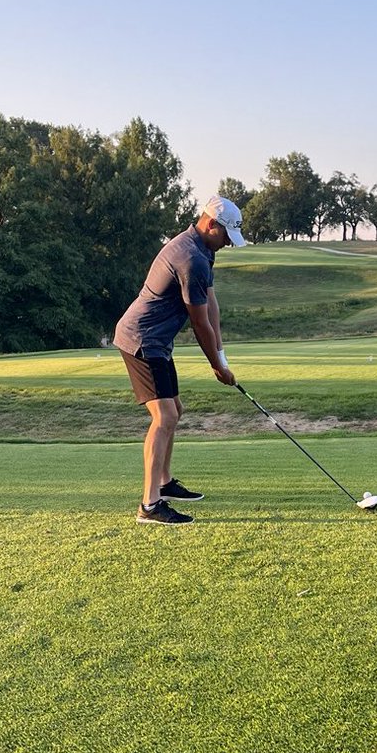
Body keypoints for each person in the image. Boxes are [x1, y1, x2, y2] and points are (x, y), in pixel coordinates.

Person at [113, 194, 247, 524]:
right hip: (142, 340)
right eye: (226, 236)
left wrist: (222, 353)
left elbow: (211, 303)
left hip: (157, 342)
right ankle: (149, 506)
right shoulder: (191, 258)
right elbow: (199, 322)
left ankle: (164, 482)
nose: (229, 243)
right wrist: (217, 366)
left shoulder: (203, 249)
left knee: (175, 410)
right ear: (211, 224)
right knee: (165, 416)